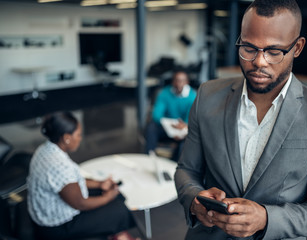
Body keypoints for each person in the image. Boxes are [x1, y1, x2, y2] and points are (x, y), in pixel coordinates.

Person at [174, 0, 307, 239]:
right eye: (248, 48)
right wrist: (195, 199)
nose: (259, 61)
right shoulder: (207, 95)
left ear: (297, 48)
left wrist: (267, 219)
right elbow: (187, 170)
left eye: (274, 51)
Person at [27, 112, 138, 240]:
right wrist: (108, 197)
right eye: (78, 135)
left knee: (115, 194)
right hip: (56, 228)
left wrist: (99, 184)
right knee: (119, 210)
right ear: (66, 137)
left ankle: (118, 234)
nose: (80, 138)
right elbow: (80, 203)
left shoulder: (45, 149)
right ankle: (120, 235)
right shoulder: (59, 165)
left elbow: (69, 182)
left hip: (44, 212)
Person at [145, 70, 197, 161]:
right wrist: (170, 126)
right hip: (166, 126)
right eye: (177, 80)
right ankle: (149, 156)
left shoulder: (193, 96)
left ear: (187, 82)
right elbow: (156, 115)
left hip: (183, 129)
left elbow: (191, 118)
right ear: (173, 81)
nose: (179, 83)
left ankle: (175, 163)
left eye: (182, 80)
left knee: (189, 138)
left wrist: (183, 126)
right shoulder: (164, 93)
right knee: (151, 127)